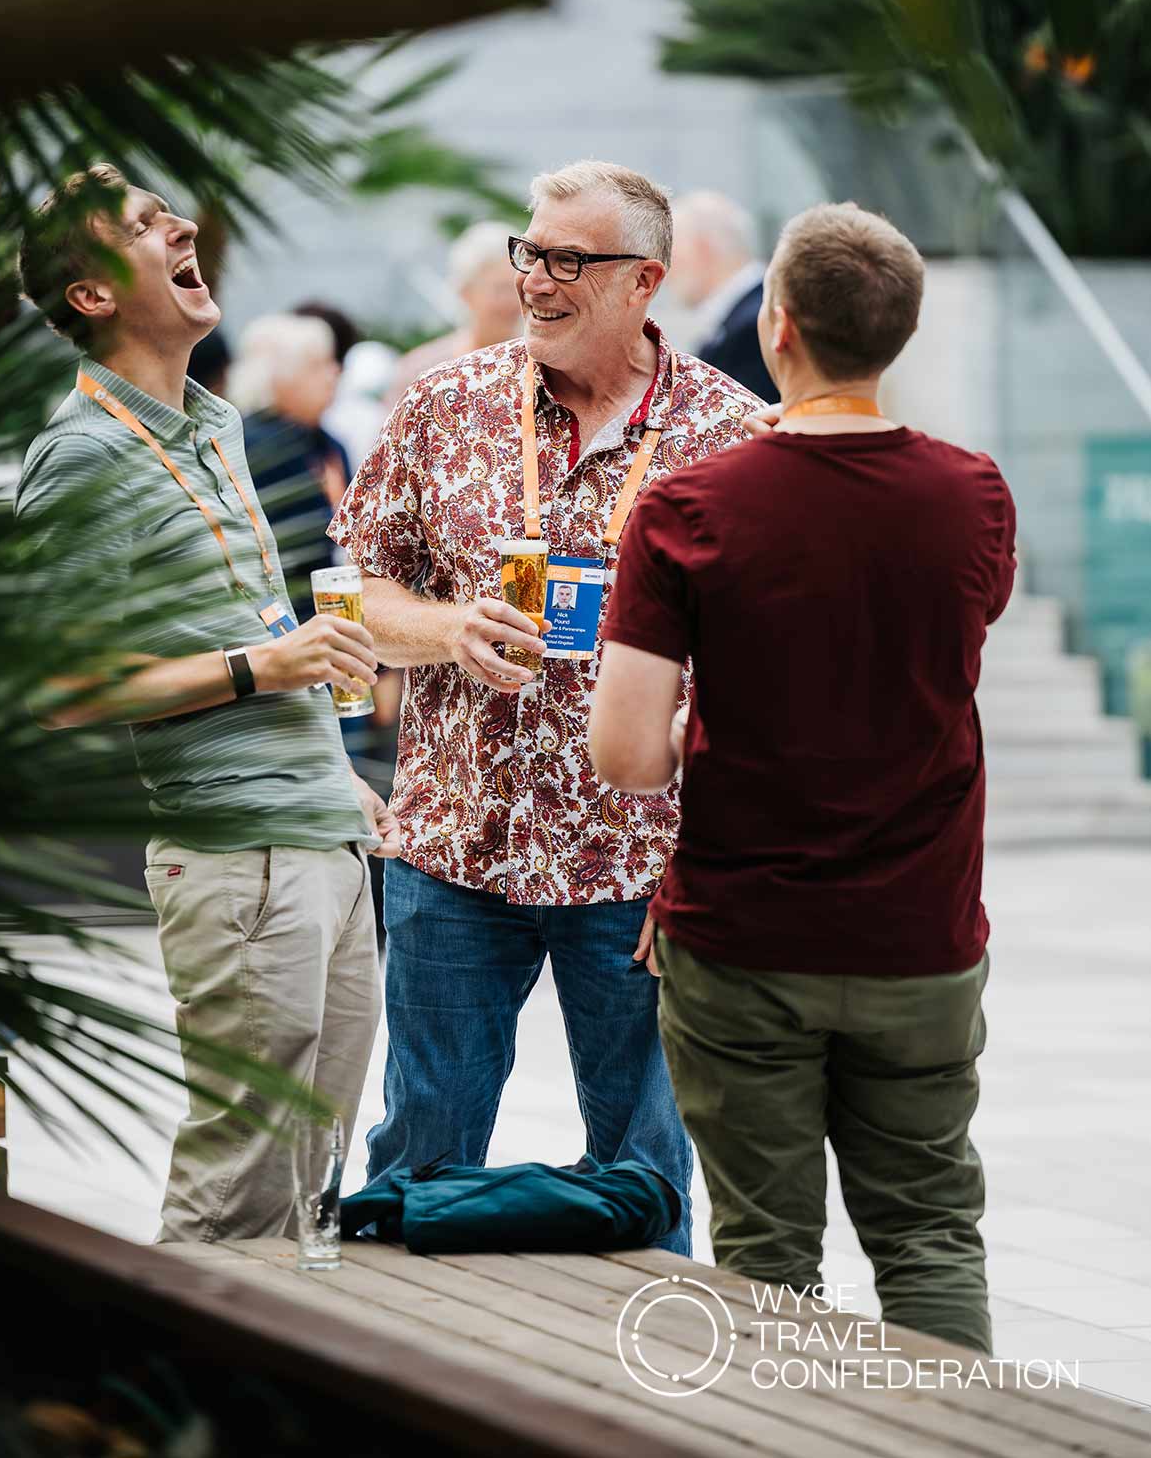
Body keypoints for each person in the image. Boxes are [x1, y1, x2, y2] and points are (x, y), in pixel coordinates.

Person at [590, 201, 1016, 1350]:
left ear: (775, 325)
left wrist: (715, 725)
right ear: (898, 332)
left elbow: (625, 754)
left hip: (744, 933)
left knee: (767, 1251)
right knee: (928, 1232)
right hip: (920, 933)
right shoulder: (971, 492)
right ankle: (962, 1430)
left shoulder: (686, 508)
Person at [330, 160, 760, 1255]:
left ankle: (646, 1361)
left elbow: (766, 668)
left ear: (643, 280)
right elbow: (359, 593)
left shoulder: (733, 437)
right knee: (417, 1163)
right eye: (531, 251)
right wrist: (446, 629)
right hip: (453, 852)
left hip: (638, 866)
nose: (536, 278)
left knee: (646, 1179)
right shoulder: (443, 406)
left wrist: (718, 863)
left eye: (569, 259)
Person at [14, 164, 401, 1244]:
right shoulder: (83, 452)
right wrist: (258, 669)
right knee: (236, 1192)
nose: (182, 224)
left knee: (307, 1191)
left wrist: (332, 774)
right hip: (236, 860)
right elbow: (57, 686)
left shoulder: (215, 423)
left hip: (321, 839)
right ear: (92, 294)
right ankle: (162, 1352)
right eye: (146, 224)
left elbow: (249, 624)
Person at [228, 314, 351, 616]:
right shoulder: (259, 445)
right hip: (285, 610)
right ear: (278, 377)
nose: (335, 372)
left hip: (334, 600)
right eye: (317, 365)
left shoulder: (327, 442)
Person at [382, 219, 524, 408]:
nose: (512, 301)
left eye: (517, 288)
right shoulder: (422, 370)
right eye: (500, 289)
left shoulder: (542, 368)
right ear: (465, 292)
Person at [669, 190, 779, 404]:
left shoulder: (755, 325)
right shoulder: (752, 312)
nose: (666, 271)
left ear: (702, 248)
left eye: (671, 253)